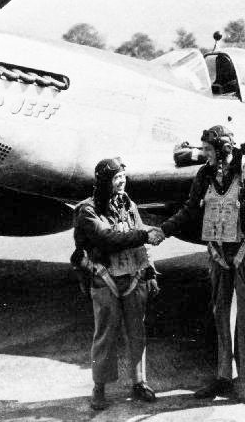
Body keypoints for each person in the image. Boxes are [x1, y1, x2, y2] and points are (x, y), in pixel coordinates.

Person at [157, 125, 245, 411]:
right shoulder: (204, 175)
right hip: (216, 252)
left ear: (224, 149)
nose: (204, 156)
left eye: (208, 151)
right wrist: (163, 231)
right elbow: (190, 209)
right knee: (220, 313)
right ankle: (225, 376)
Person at [72, 157, 165, 411]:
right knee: (105, 336)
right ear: (104, 182)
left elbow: (138, 239)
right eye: (116, 178)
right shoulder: (87, 211)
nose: (122, 181)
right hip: (105, 279)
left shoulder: (128, 204)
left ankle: (139, 382)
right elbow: (108, 238)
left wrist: (151, 272)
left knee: (138, 333)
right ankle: (99, 388)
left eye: (123, 176)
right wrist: (146, 233)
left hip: (134, 278)